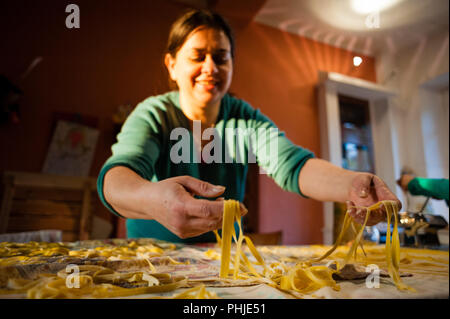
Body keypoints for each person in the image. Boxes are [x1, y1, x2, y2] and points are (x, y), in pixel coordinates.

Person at [97, 9, 401, 243]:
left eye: (221, 57)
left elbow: (293, 166)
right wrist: (150, 201)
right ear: (172, 65)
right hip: (155, 260)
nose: (210, 67)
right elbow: (117, 179)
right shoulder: (153, 114)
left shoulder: (245, 119)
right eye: (197, 56)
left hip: (226, 264)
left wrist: (353, 184)